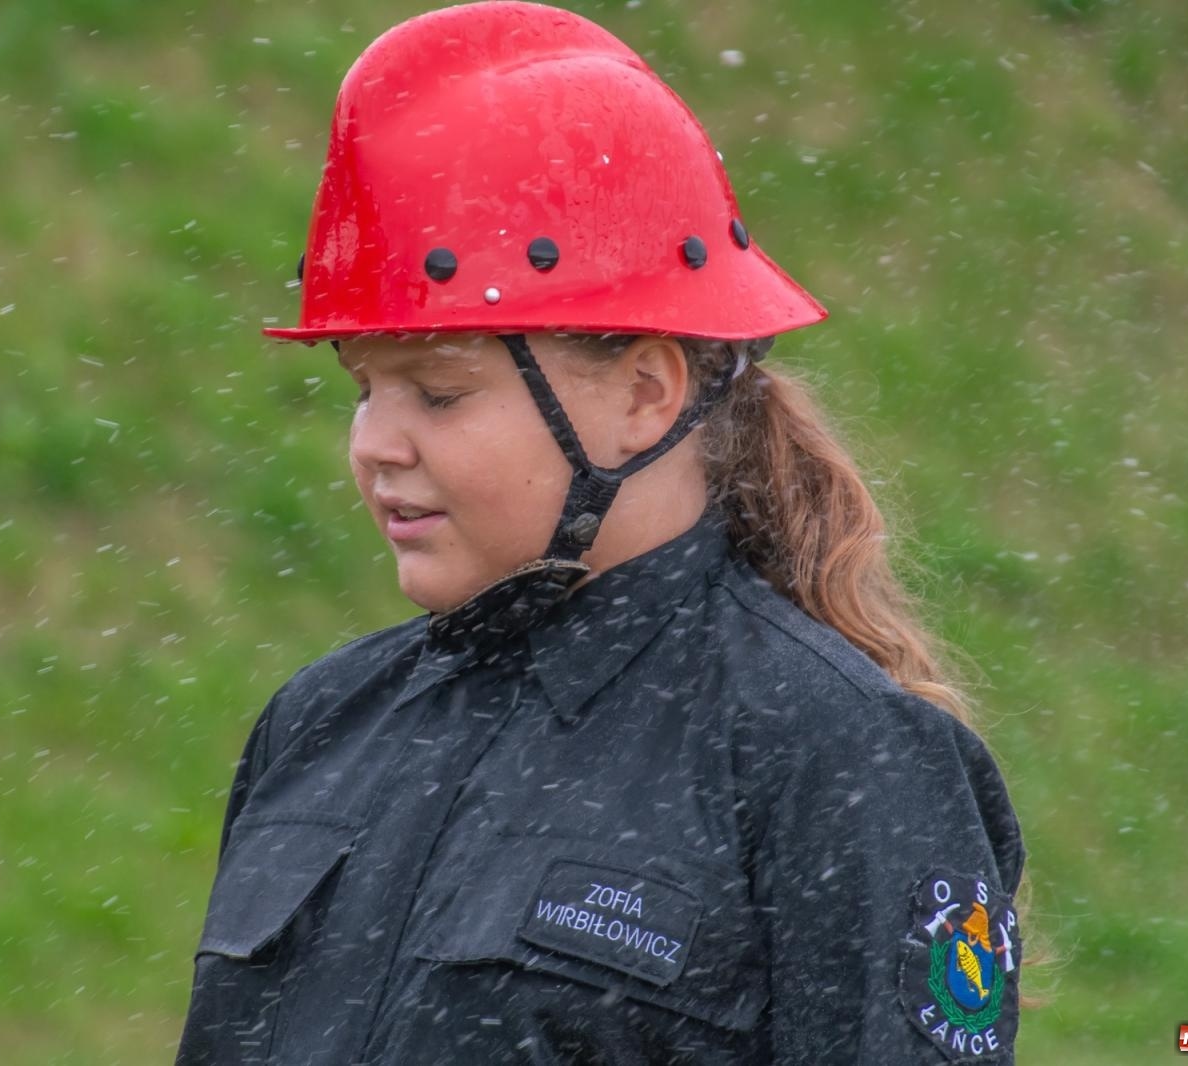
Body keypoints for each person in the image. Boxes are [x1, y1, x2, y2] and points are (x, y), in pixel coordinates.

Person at [174, 2, 1026, 1063]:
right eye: (362, 389)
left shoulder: (836, 756)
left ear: (642, 394)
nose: (375, 445)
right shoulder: (318, 723)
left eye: (437, 394)